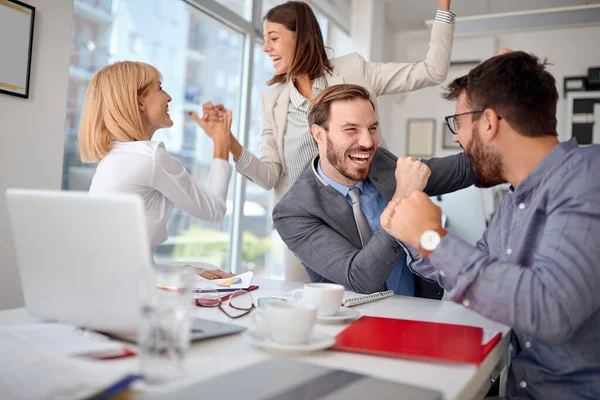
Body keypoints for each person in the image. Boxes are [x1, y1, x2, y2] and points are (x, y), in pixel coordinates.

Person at [381, 52, 600, 398]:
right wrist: (409, 229)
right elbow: (470, 268)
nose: (456, 139)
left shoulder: (589, 177)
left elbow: (551, 310)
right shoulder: (513, 201)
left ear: (487, 122)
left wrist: (432, 237)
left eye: (457, 124)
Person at [206, 0, 456, 279]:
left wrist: (443, 8)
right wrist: (227, 140)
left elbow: (432, 70)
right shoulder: (273, 101)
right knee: (316, 312)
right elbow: (268, 175)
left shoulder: (354, 70)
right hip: (316, 229)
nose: (266, 48)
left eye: (273, 38)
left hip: (375, 214)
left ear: (300, 37)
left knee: (394, 298)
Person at [272, 84, 474, 297]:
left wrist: (502, 102)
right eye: (351, 130)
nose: (368, 142)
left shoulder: (379, 163)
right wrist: (402, 197)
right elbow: (360, 278)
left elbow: (461, 170)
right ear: (319, 135)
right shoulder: (294, 211)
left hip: (420, 310)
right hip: (355, 323)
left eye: (372, 128)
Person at [78, 61, 234, 280]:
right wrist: (221, 140)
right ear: (139, 102)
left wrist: (190, 272)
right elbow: (214, 210)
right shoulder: (150, 157)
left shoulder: (113, 158)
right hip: (128, 295)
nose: (169, 97)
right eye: (160, 88)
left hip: (104, 285)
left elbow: (132, 263)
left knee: (201, 268)